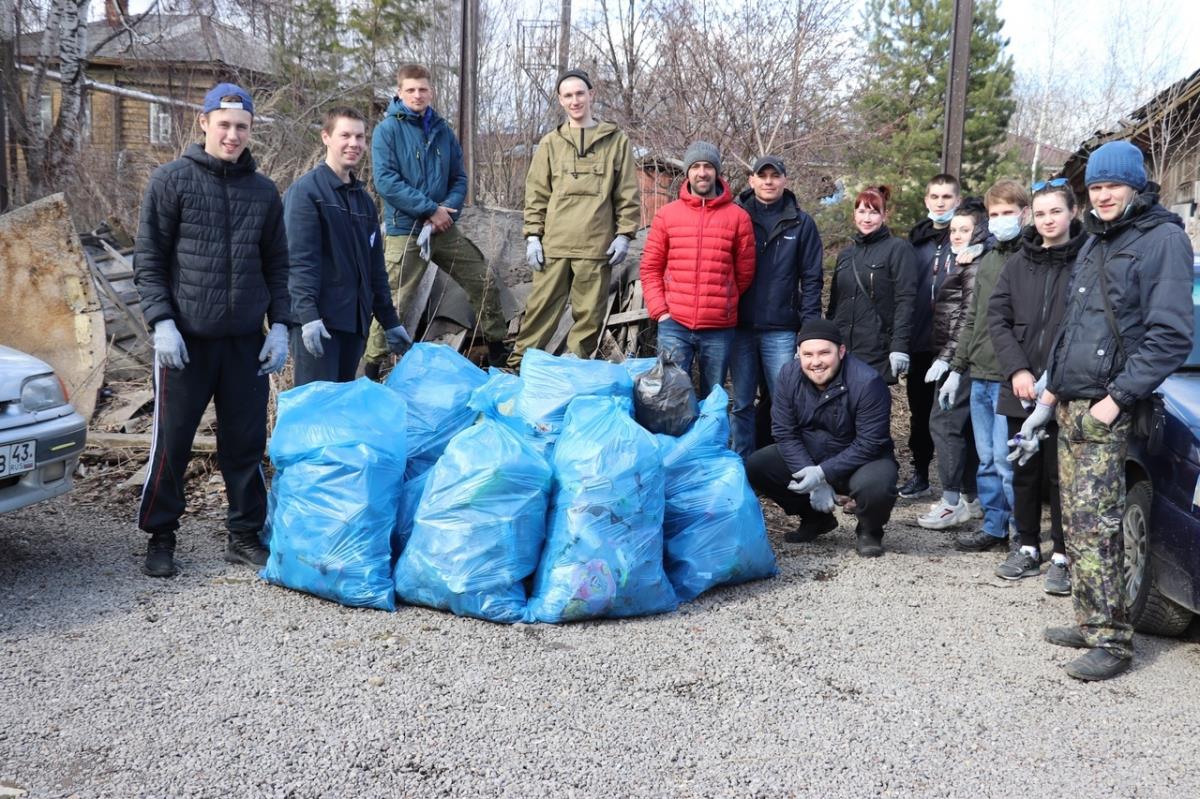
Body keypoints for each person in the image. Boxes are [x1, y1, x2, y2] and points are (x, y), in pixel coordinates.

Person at [1014, 140, 1193, 681]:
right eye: (1095, 187)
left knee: (1100, 524)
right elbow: (1074, 327)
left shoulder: (1162, 240)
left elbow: (1170, 337)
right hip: (1072, 401)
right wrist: (1049, 397)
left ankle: (1113, 643)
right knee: (1078, 521)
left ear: (1135, 186)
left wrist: (1114, 404)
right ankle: (1093, 620)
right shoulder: (1096, 239)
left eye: (1113, 185)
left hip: (1106, 408)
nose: (1104, 194)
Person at [134, 83, 291, 577]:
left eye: (241, 126)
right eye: (223, 124)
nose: (232, 134)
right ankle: (161, 536)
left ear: (250, 131)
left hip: (245, 343)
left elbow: (278, 266)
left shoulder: (264, 193)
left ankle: (243, 535)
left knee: (244, 445)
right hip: (185, 342)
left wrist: (281, 326)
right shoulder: (171, 181)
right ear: (203, 123)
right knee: (173, 442)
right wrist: (162, 323)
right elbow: (149, 259)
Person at [366, 63, 507, 376]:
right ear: (400, 92)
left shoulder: (442, 130)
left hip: (443, 228)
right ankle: (372, 368)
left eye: (423, 89)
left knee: (481, 279)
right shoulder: (387, 130)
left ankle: (499, 354)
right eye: (411, 90)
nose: (418, 95)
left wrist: (445, 209)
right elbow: (386, 181)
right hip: (407, 230)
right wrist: (429, 209)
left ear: (432, 91)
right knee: (393, 300)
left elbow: (459, 177)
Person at [508, 69, 641, 370]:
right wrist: (533, 236)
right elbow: (537, 192)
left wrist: (624, 234)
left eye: (580, 93)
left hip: (595, 248)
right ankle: (517, 370)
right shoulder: (551, 143)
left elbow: (627, 192)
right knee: (539, 311)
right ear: (560, 100)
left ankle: (574, 373)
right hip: (554, 246)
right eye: (568, 95)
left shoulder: (615, 141)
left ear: (591, 95)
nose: (575, 100)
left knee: (589, 317)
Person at [989, 178, 1084, 594]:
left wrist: (1056, 377)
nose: (1048, 220)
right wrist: (1017, 371)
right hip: (1022, 387)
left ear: (1072, 212)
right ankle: (1026, 545)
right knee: (1023, 470)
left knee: (1061, 475)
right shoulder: (1018, 262)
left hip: (1070, 386)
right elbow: (998, 318)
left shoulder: (1088, 258)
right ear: (1032, 215)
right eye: (1041, 212)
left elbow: (1086, 324)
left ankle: (1062, 556)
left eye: (1056, 211)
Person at [746, 319, 898, 557]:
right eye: (807, 354)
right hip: (810, 454)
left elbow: (870, 442)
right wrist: (812, 475)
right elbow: (784, 431)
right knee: (759, 465)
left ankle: (870, 529)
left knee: (877, 486)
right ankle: (815, 519)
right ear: (798, 355)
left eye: (824, 353)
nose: (815, 362)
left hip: (860, 460)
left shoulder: (868, 382)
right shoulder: (788, 375)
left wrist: (823, 473)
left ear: (841, 351)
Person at [284, 107, 412, 385]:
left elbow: (375, 270)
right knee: (316, 412)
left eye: (359, 137)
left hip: (354, 326)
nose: (353, 143)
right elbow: (299, 262)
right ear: (326, 137)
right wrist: (307, 317)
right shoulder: (307, 193)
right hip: (318, 326)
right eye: (345, 135)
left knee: (339, 413)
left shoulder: (363, 202)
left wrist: (390, 321)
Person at [948, 180, 1029, 552]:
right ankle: (993, 525)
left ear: (1024, 213)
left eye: (1007, 213)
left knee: (1005, 460)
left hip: (1008, 376)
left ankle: (1019, 532)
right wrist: (957, 365)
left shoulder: (1028, 257)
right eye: (994, 215)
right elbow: (973, 317)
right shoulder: (988, 258)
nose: (1000, 220)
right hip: (978, 372)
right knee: (985, 460)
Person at [639, 141, 755, 398]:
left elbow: (744, 273)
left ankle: (709, 440)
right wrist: (660, 311)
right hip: (674, 325)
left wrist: (724, 302)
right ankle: (676, 440)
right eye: (696, 166)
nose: (702, 172)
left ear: (717, 172)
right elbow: (650, 267)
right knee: (671, 397)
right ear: (688, 172)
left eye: (708, 166)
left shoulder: (738, 217)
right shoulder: (667, 215)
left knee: (712, 398)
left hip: (719, 329)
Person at [729, 155, 824, 458]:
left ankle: (789, 464)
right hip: (740, 326)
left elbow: (811, 279)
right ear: (751, 180)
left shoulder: (802, 222)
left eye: (775, 176)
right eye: (762, 175)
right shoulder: (735, 215)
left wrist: (808, 331)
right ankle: (742, 467)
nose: (768, 181)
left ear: (784, 180)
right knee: (742, 402)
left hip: (781, 329)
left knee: (787, 401)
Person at [917, 199, 987, 530]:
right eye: (954, 230)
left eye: (965, 230)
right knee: (963, 428)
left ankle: (951, 500)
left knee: (944, 425)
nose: (957, 235)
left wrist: (948, 361)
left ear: (979, 232)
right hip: (955, 356)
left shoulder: (974, 266)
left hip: (961, 359)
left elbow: (969, 319)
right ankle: (971, 498)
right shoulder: (965, 262)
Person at [902, 174, 961, 499]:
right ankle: (921, 473)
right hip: (921, 340)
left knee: (954, 418)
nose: (940, 202)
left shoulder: (966, 237)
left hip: (956, 343)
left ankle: (963, 485)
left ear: (958, 201)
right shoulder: (916, 241)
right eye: (935, 196)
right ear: (926, 201)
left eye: (947, 197)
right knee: (920, 412)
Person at [827, 184, 917, 384]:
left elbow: (906, 301)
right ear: (854, 215)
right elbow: (834, 307)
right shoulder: (845, 255)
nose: (866, 219)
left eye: (874, 212)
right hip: (841, 351)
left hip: (876, 350)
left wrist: (899, 346)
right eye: (861, 211)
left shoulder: (898, 249)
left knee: (870, 410)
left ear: (884, 216)